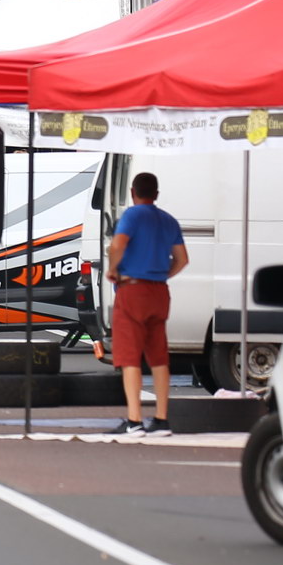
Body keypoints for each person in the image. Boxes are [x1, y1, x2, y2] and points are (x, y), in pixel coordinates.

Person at [106, 171, 188, 437]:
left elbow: (117, 245)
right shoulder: (168, 220)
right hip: (159, 292)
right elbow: (182, 259)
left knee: (130, 356)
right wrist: (162, 274)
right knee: (159, 356)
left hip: (132, 291)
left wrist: (112, 268)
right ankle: (162, 419)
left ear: (132, 192)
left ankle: (134, 420)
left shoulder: (132, 215)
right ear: (156, 194)